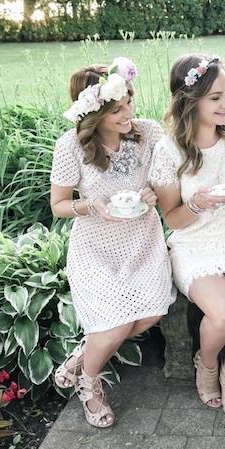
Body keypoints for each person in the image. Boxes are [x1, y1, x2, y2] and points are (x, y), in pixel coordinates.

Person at [50, 57, 176, 428]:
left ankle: (81, 358)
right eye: (116, 110)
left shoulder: (149, 133)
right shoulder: (70, 146)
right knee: (118, 325)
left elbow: (166, 178)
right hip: (95, 246)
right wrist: (90, 206)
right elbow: (58, 205)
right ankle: (89, 384)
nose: (128, 115)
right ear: (93, 116)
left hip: (143, 240)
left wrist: (154, 192)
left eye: (129, 104)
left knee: (152, 312)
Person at [148, 54, 225, 420]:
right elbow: (172, 219)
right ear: (191, 100)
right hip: (195, 244)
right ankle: (206, 364)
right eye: (215, 97)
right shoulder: (168, 150)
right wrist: (198, 204)